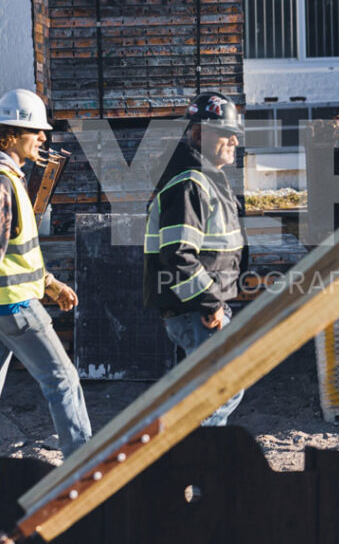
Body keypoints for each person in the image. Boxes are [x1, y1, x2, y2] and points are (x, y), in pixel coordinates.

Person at [0, 88, 91, 459]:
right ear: (11, 135)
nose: (43, 137)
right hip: (13, 307)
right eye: (35, 130)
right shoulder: (1, 183)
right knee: (63, 381)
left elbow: (15, 250)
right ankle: (84, 467)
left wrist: (50, 284)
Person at [143, 92, 247, 426]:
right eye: (225, 133)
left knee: (207, 392)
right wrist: (209, 302)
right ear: (200, 134)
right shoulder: (189, 183)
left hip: (199, 306)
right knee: (219, 393)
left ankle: (193, 453)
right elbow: (178, 254)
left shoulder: (207, 178)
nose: (234, 140)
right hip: (196, 310)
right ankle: (191, 452)